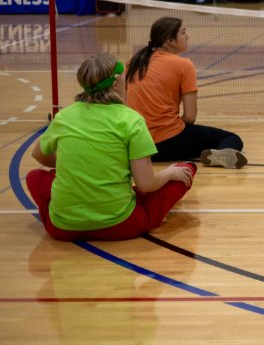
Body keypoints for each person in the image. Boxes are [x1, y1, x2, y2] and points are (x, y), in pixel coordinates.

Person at [27, 53, 196, 241]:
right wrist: (169, 173)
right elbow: (146, 184)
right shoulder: (132, 120)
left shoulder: (64, 116)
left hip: (62, 228)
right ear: (116, 85)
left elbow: (39, 155)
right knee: (186, 170)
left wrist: (75, 168)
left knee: (35, 177)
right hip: (121, 225)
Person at [126, 17, 247, 169]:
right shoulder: (184, 65)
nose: (187, 36)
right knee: (231, 138)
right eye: (183, 32)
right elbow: (190, 117)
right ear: (170, 40)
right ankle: (219, 154)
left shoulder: (134, 62)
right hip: (167, 145)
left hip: (138, 145)